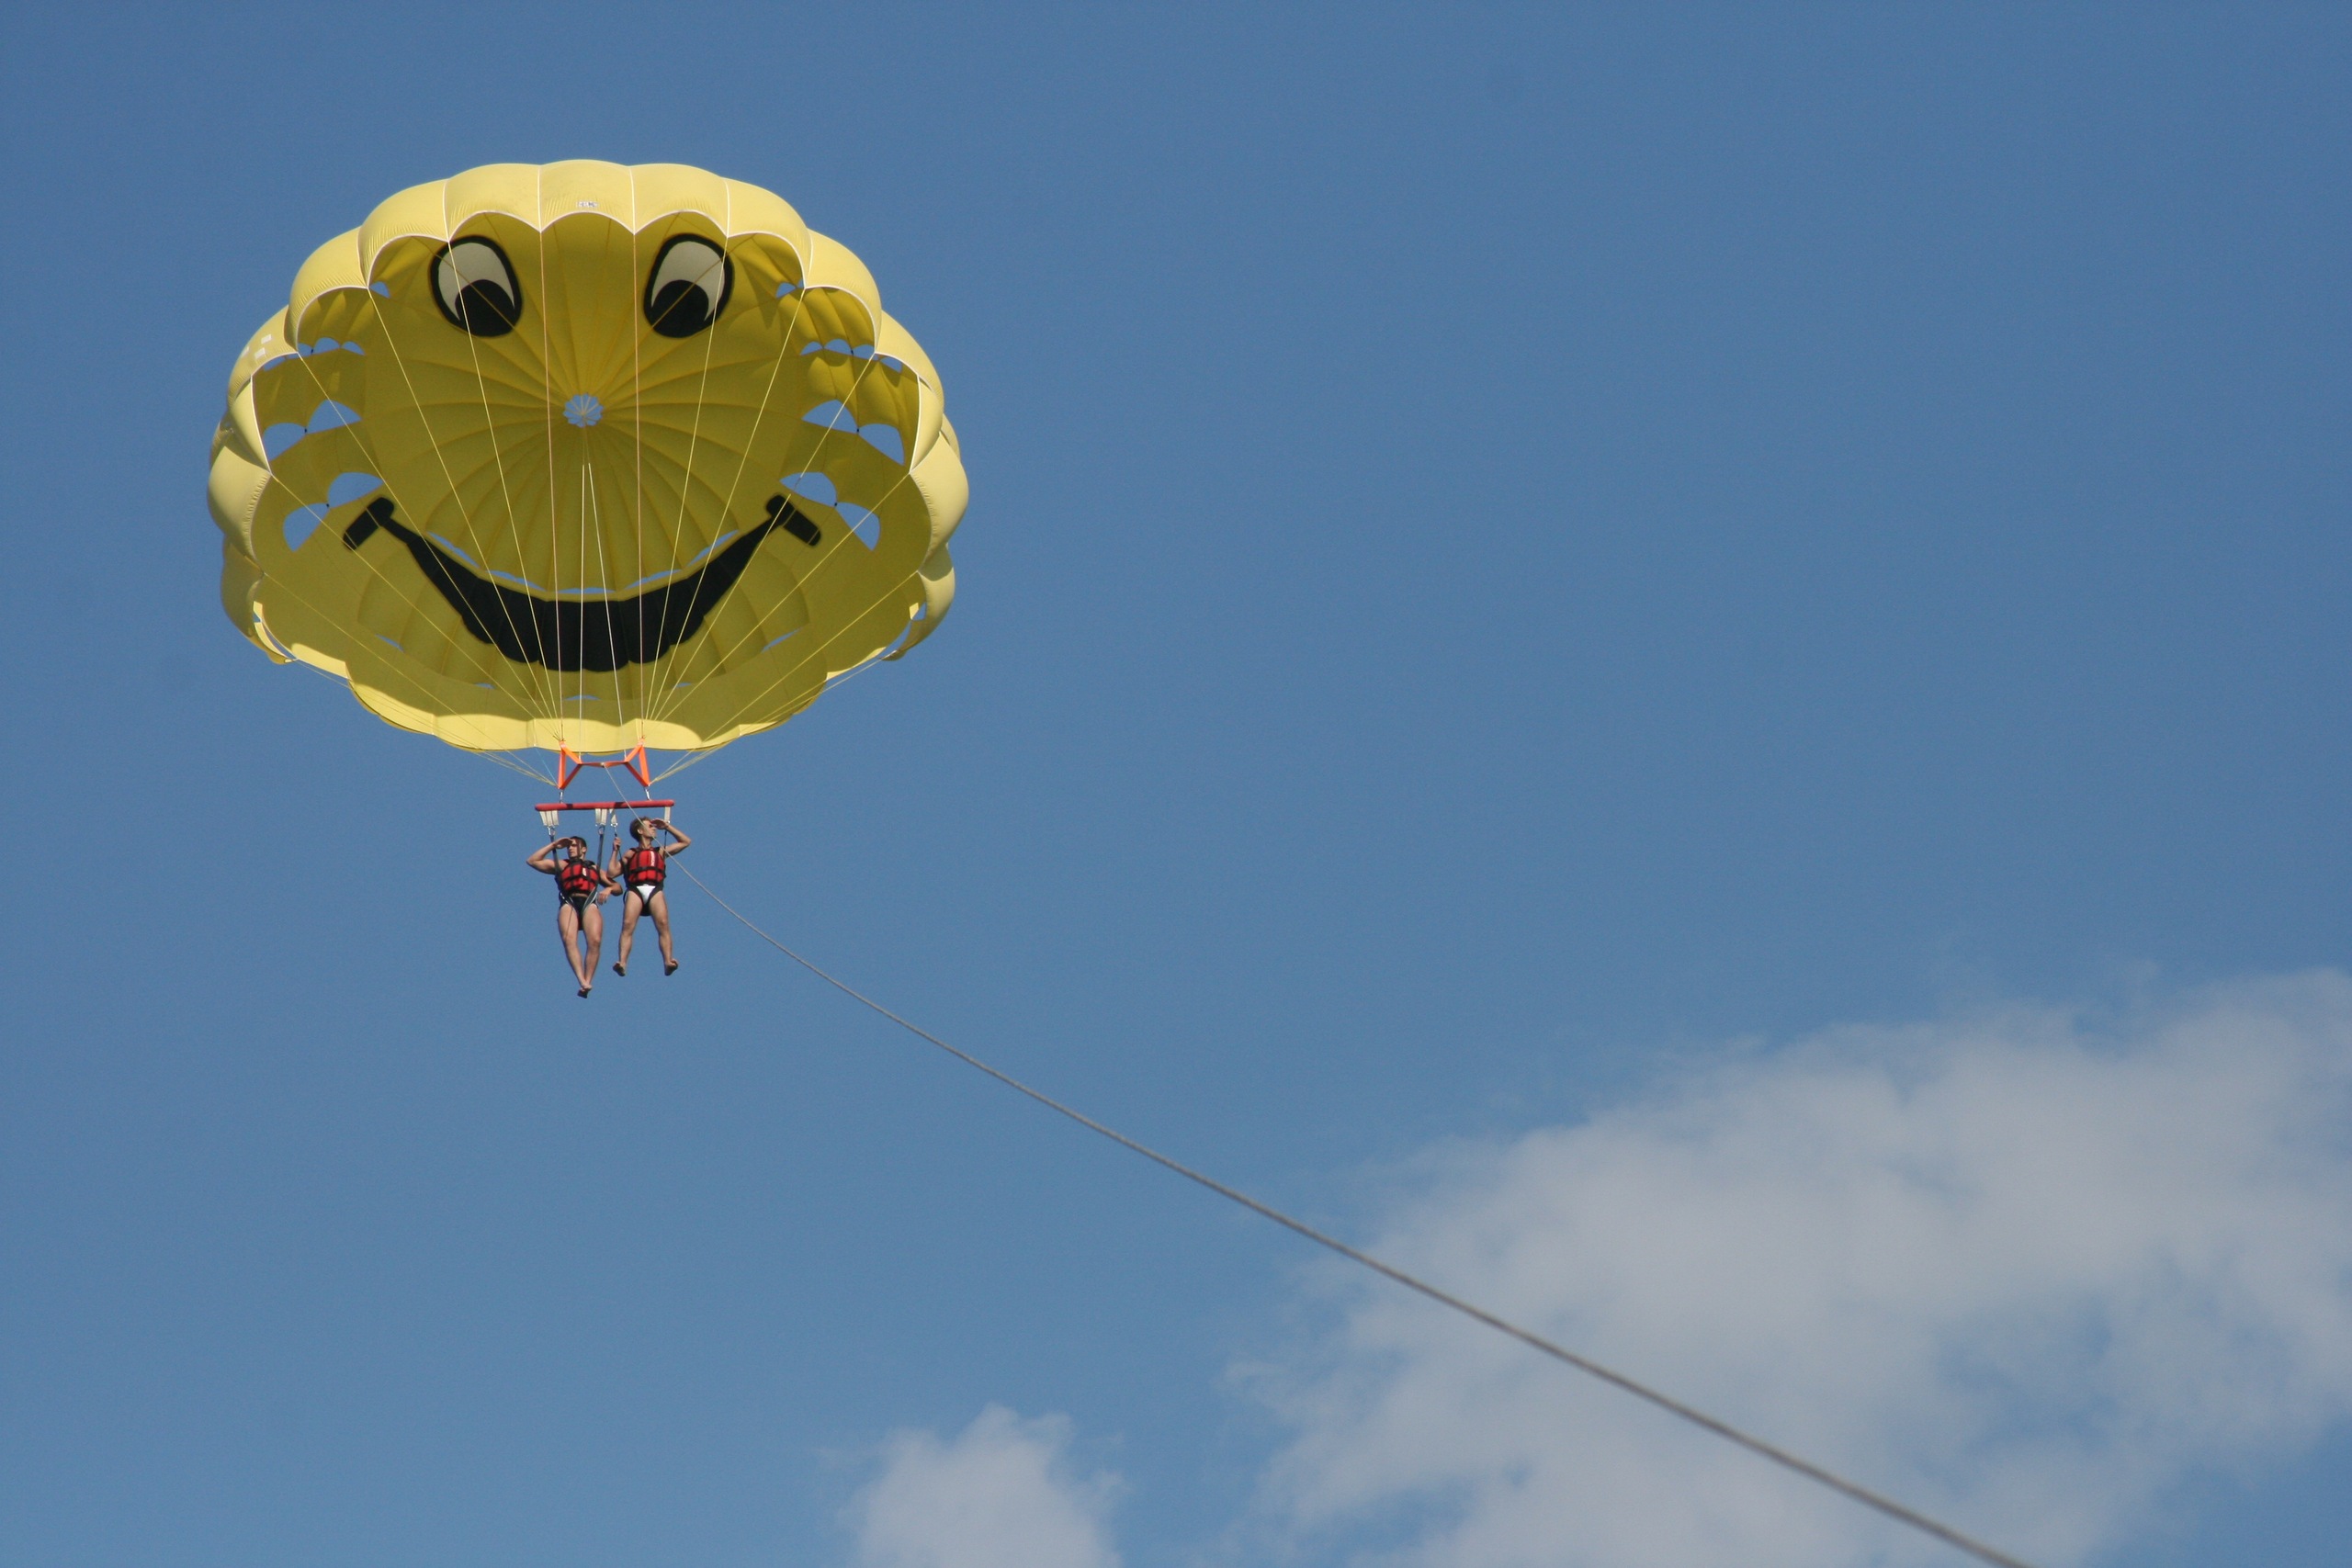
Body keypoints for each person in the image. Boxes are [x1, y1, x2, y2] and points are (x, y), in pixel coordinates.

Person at [526, 835, 612, 997]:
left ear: (584, 849)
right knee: (569, 939)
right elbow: (532, 861)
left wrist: (608, 889)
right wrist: (553, 845)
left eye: (574, 846)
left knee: (595, 941)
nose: (570, 849)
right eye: (568, 847)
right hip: (569, 902)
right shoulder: (562, 865)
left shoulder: (594, 868)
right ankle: (581, 980)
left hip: (588, 902)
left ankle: (588, 979)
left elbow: (617, 887)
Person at [609, 816, 691, 976]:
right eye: (650, 826)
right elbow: (612, 872)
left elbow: (685, 841)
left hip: (655, 889)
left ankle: (668, 961)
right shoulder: (631, 853)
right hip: (635, 889)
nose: (654, 828)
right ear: (640, 831)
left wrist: (667, 827)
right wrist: (615, 851)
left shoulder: (660, 851)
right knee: (628, 925)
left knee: (663, 924)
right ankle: (622, 962)